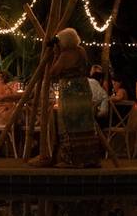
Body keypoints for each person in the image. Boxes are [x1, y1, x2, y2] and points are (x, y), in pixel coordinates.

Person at [28, 28, 102, 168]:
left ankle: (71, 160)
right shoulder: (81, 51)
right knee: (84, 122)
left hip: (70, 91)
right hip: (83, 89)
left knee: (69, 123)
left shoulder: (66, 54)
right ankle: (88, 158)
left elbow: (53, 72)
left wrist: (55, 54)